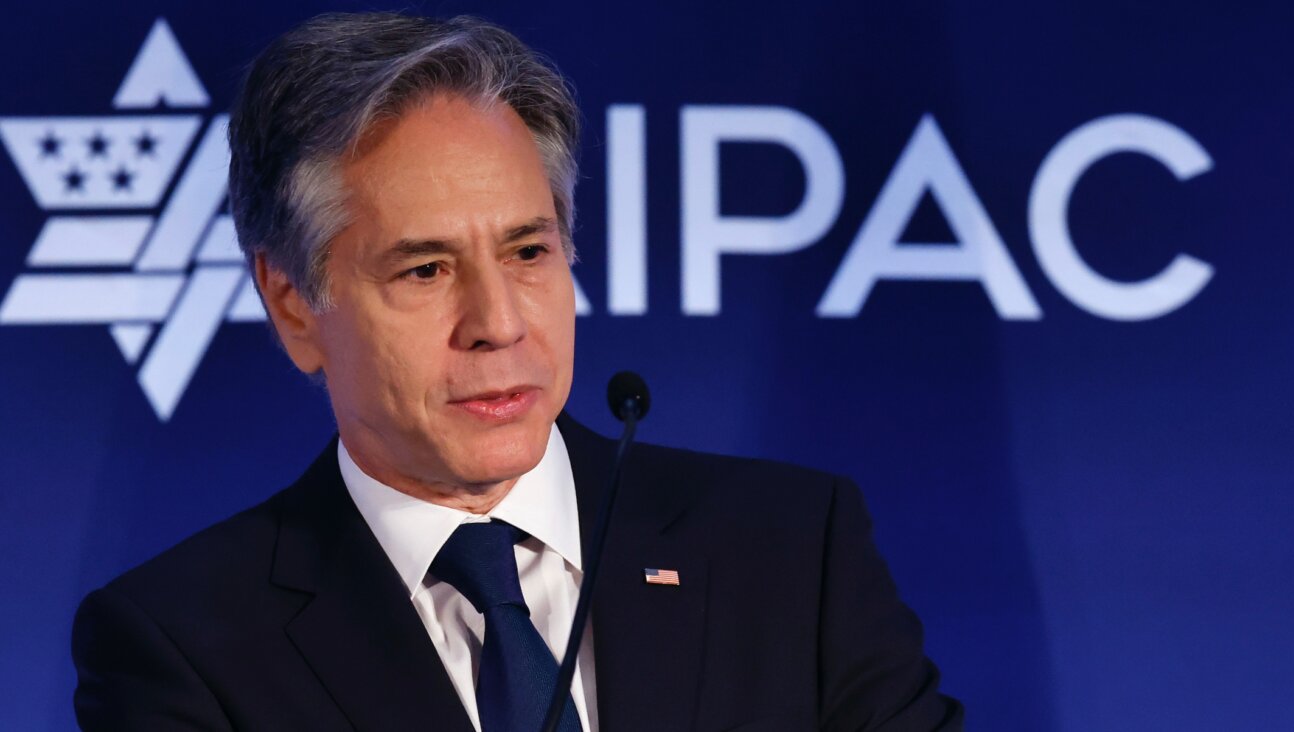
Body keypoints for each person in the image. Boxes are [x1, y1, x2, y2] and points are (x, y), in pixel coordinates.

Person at [71, 12, 963, 731]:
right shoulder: (184, 643)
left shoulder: (791, 553)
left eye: (529, 251)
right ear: (295, 304)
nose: (498, 324)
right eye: (424, 269)